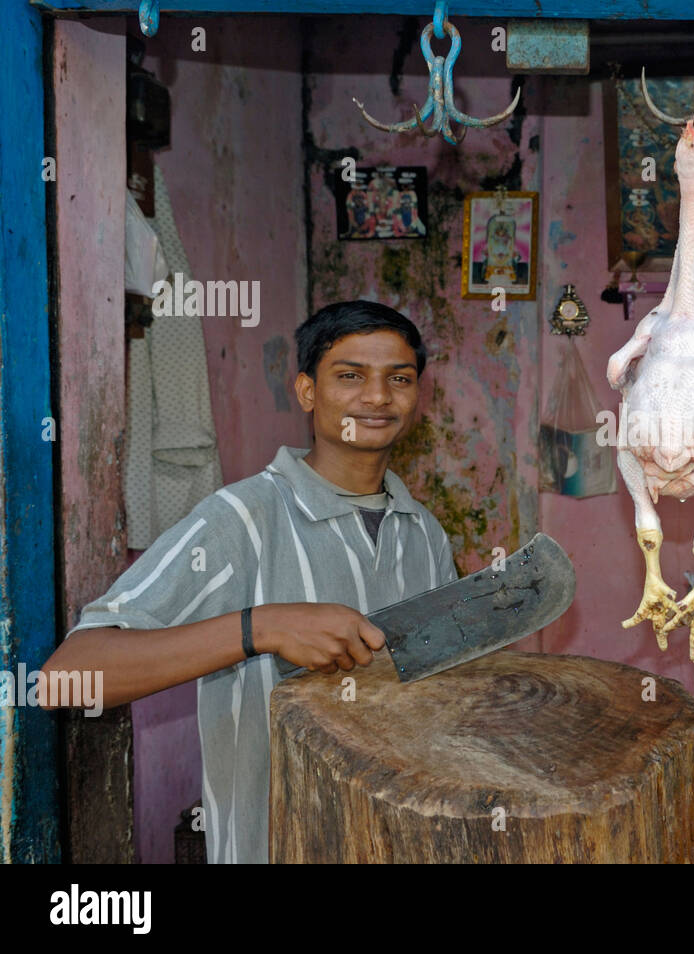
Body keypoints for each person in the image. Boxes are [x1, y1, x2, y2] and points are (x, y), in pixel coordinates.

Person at [40, 300, 458, 864]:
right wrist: (258, 627)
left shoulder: (423, 531)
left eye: (399, 379)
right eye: (350, 375)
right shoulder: (242, 518)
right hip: (275, 845)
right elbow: (65, 680)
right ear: (307, 391)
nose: (378, 397)